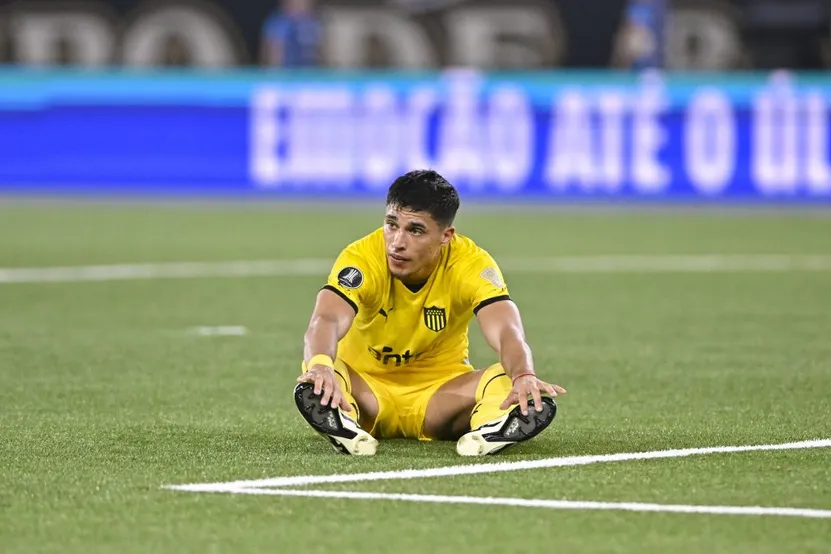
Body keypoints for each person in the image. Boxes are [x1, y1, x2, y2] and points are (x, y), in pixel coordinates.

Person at [293, 170, 566, 456]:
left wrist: (524, 374)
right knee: (318, 370)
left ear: (446, 235)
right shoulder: (362, 257)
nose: (397, 242)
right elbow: (327, 318)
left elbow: (506, 329)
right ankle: (344, 423)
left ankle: (492, 429)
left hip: (440, 398)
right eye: (391, 224)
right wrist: (321, 365)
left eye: (415, 230)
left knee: (510, 378)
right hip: (364, 397)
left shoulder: (471, 263)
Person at [261, 0, 322, 68]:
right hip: (284, 74)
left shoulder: (316, 23)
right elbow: (272, 59)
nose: (296, 3)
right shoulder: (277, 23)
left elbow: (321, 57)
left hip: (311, 74)